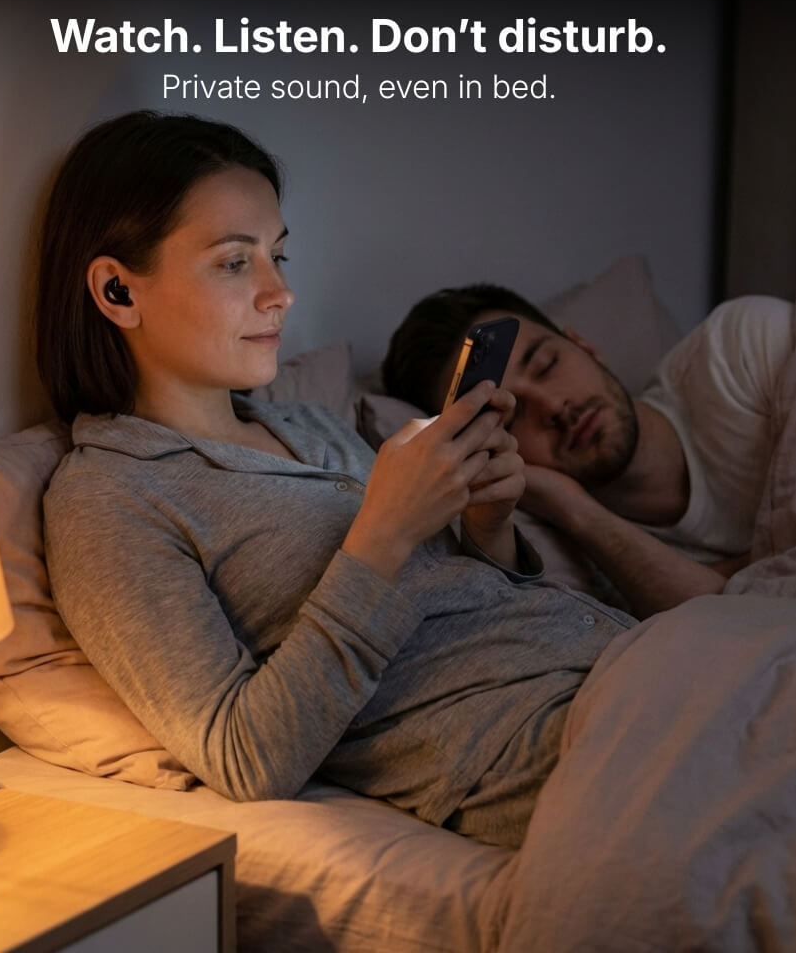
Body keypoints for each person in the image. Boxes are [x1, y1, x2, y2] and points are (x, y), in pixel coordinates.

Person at [35, 110, 638, 850]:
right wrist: (382, 535)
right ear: (118, 292)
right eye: (234, 262)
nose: (279, 293)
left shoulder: (311, 427)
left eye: (278, 257)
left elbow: (462, 610)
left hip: (626, 669)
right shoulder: (110, 500)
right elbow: (245, 756)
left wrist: (486, 526)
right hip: (548, 746)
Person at [381, 283, 794, 617]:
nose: (555, 407)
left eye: (546, 365)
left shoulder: (741, 349)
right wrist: (571, 507)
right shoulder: (580, 566)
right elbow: (733, 622)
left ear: (582, 344)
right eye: (512, 416)